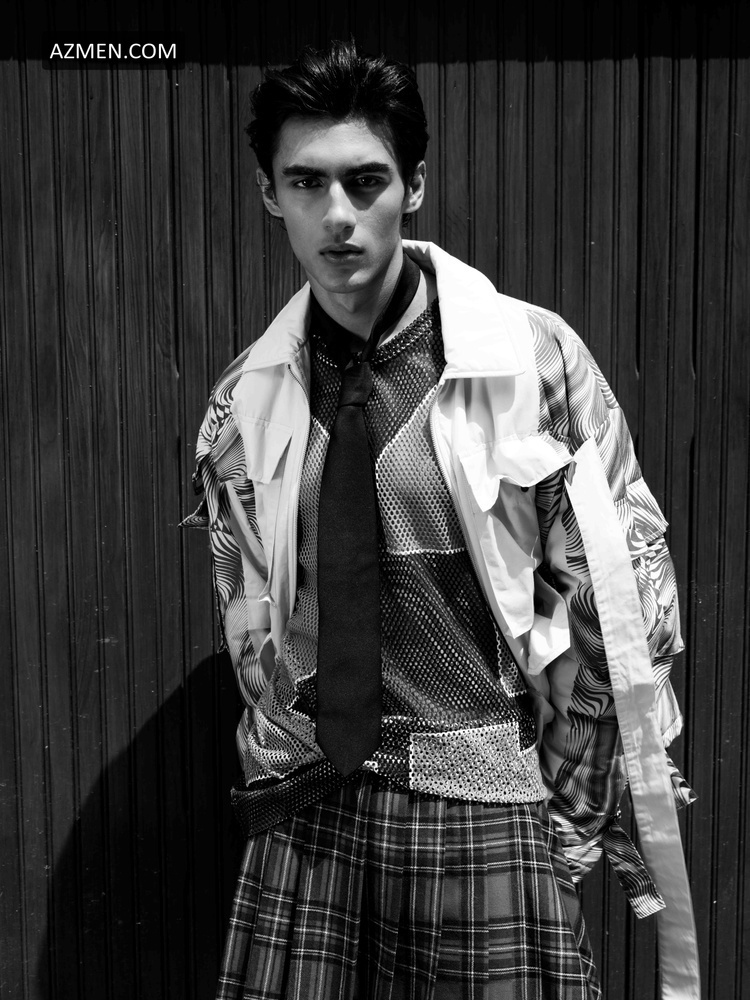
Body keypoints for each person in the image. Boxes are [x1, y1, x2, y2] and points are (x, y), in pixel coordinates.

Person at [185, 39, 699, 1000]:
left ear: (413, 185)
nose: (338, 215)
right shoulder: (243, 401)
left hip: (484, 801)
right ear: (269, 195)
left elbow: (625, 602)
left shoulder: (532, 361)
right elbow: (250, 616)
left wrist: (567, 809)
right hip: (307, 809)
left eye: (365, 180)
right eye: (306, 183)